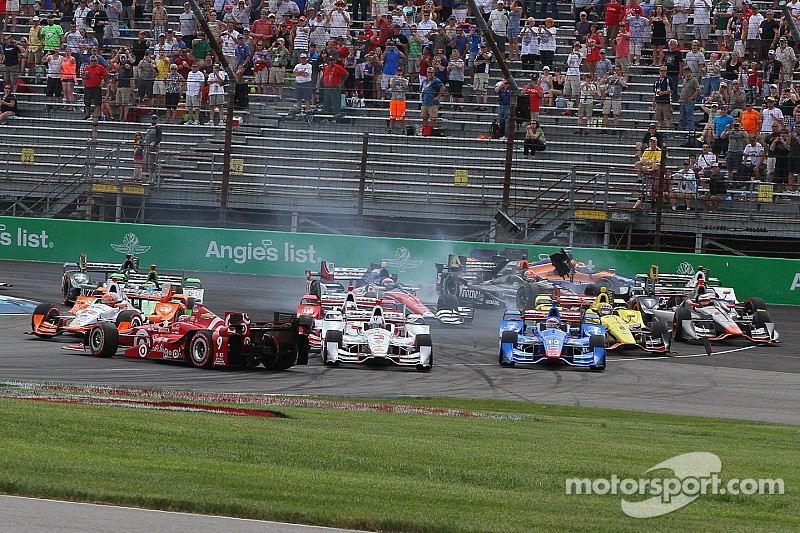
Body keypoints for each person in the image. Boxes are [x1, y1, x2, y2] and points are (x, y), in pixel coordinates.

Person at [601, 65, 626, 133]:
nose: (616, 71)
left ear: (620, 70)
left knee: (616, 114)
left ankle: (614, 129)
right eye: (615, 70)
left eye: (618, 70)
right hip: (609, 97)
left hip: (616, 98)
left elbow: (624, 85)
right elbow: (601, 82)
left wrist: (618, 78)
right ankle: (604, 128)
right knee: (605, 113)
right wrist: (605, 76)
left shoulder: (622, 78)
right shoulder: (610, 77)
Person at [420, 66, 444, 133]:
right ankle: (425, 131)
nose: (430, 74)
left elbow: (442, 88)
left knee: (433, 118)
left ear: (434, 73)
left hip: (432, 102)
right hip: (424, 102)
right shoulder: (424, 81)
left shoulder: (436, 80)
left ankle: (433, 131)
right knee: (424, 118)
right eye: (428, 72)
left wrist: (438, 96)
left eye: (431, 72)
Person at [82, 54, 108, 119]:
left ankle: (99, 115)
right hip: (88, 87)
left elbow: (106, 75)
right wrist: (84, 78)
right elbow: (83, 76)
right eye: (92, 61)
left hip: (96, 87)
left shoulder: (100, 67)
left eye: (95, 61)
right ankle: (87, 115)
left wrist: (103, 82)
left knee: (98, 102)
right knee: (87, 102)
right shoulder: (87, 68)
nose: (93, 62)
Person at [387, 66, 408, 134]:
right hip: (394, 99)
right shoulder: (392, 79)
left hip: (401, 99)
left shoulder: (405, 79)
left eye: (400, 71)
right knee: (392, 116)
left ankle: (402, 129)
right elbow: (392, 86)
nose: (399, 73)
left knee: (401, 116)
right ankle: (391, 129)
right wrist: (394, 79)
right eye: (398, 71)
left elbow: (406, 86)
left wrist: (402, 80)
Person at [678, 67, 700, 132]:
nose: (687, 74)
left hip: (689, 101)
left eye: (688, 72)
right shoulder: (685, 80)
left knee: (689, 117)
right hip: (683, 101)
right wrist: (680, 98)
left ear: (690, 72)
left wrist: (692, 97)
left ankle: (691, 132)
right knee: (682, 117)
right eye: (685, 72)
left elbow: (698, 90)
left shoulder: (694, 80)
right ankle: (681, 132)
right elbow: (683, 90)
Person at [144, 114, 162, 184]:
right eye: (152, 119)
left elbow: (159, 138)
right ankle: (150, 178)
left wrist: (154, 143)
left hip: (154, 149)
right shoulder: (149, 129)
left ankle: (152, 179)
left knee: (152, 164)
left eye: (155, 119)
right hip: (148, 148)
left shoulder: (158, 128)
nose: (153, 120)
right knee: (148, 164)